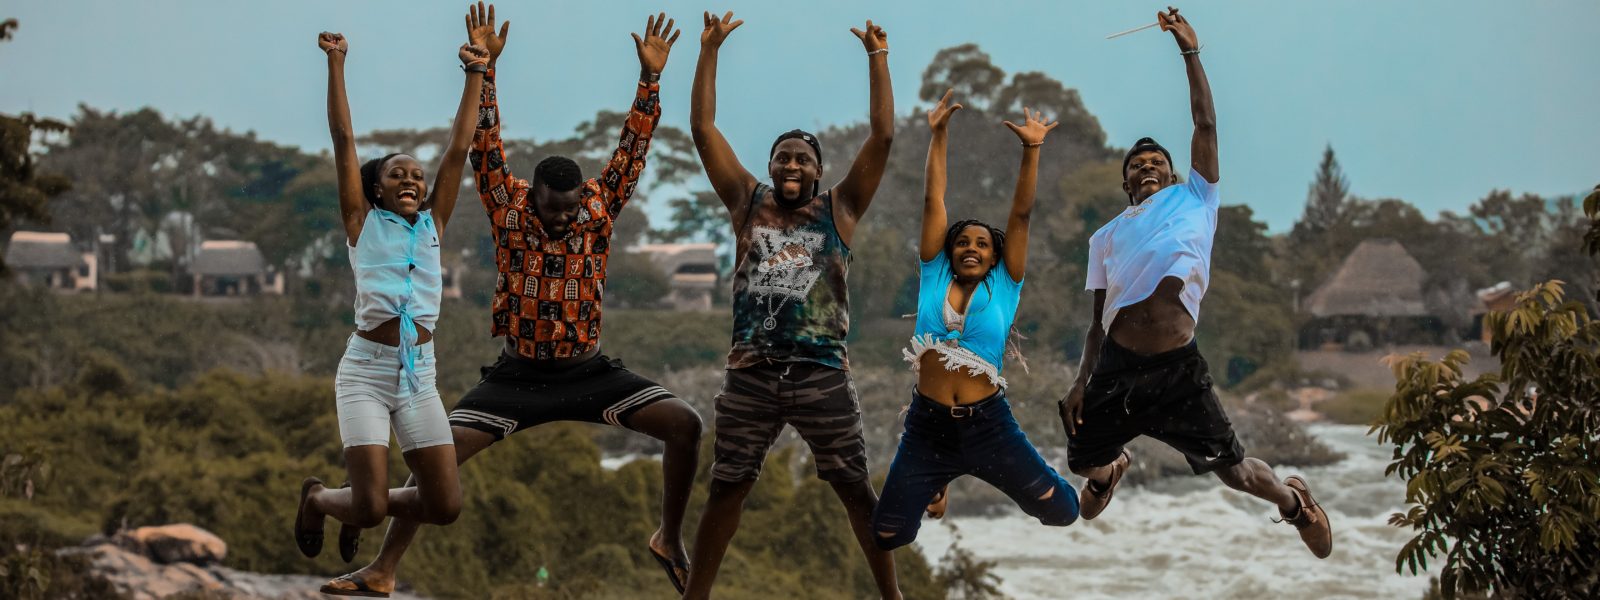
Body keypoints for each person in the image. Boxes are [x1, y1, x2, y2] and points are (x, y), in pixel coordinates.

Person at [321, 4, 703, 597]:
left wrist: (650, 79)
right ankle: (382, 565)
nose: (561, 218)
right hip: (516, 377)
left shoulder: (600, 206)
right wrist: (486, 70)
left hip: (589, 371)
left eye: (570, 209)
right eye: (552, 209)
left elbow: (633, 147)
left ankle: (669, 537)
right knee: (432, 471)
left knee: (686, 425)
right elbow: (479, 144)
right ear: (536, 196)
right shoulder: (509, 203)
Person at [1059, 7, 1332, 558]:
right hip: (1117, 365)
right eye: (1137, 165)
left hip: (1177, 368)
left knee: (1233, 473)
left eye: (1157, 160)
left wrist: (1189, 52)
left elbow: (1205, 124)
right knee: (1080, 460)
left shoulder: (1196, 199)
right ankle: (1110, 472)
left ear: (1175, 172)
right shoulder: (1106, 236)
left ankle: (1295, 504)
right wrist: (1081, 380)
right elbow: (1095, 323)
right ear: (1125, 182)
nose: (1148, 167)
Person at [682, 10, 900, 600]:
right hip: (751, 373)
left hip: (821, 371)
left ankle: (892, 596)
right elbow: (703, 129)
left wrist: (877, 57)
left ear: (820, 171)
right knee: (727, 487)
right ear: (772, 165)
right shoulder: (745, 201)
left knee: (854, 487)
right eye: (784, 157)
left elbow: (882, 137)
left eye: (804, 158)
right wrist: (710, 50)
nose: (793, 165)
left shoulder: (841, 209)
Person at [294, 29, 486, 566]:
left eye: (417, 176)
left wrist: (477, 71)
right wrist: (337, 62)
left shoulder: (433, 224)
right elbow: (343, 138)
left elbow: (459, 149)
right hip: (365, 373)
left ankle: (355, 504)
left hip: (419, 374)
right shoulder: (362, 222)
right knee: (372, 508)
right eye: (396, 174)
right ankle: (319, 499)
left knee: (444, 505)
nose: (411, 180)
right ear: (376, 188)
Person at [871, 92, 1079, 550]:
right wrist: (939, 134)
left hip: (988, 425)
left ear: (994, 257)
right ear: (950, 251)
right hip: (928, 426)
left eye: (983, 244)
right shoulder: (934, 271)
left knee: (1063, 511)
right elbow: (933, 198)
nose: (972, 247)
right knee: (888, 534)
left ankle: (1098, 472)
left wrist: (1031, 149)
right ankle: (938, 482)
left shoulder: (1006, 283)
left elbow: (1021, 213)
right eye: (963, 241)